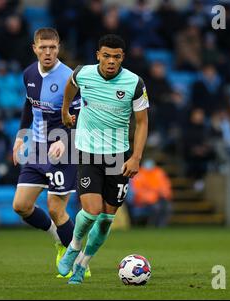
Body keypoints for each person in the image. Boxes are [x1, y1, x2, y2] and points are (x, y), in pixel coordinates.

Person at [59, 34, 149, 284]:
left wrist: (135, 157)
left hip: (119, 156)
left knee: (107, 219)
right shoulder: (83, 73)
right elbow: (70, 84)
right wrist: (65, 111)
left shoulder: (135, 83)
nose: (111, 61)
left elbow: (142, 123)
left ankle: (82, 264)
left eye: (116, 57)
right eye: (106, 55)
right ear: (98, 54)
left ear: (123, 58)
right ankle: (74, 247)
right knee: (91, 211)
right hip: (88, 151)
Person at [12, 28, 89, 278]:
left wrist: (65, 142)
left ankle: (79, 263)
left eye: (52, 47)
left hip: (63, 150)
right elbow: (28, 105)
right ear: (34, 48)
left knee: (56, 209)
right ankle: (59, 241)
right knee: (21, 206)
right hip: (36, 149)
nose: (48, 52)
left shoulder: (70, 78)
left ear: (58, 48)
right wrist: (20, 138)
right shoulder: (29, 74)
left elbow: (82, 116)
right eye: (43, 47)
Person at [129, 158, 172, 227]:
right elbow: (137, 190)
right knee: (156, 208)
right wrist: (152, 196)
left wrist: (163, 194)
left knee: (168, 207)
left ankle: (162, 226)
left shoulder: (159, 173)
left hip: (159, 198)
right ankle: (152, 225)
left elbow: (165, 186)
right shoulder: (138, 174)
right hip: (144, 201)